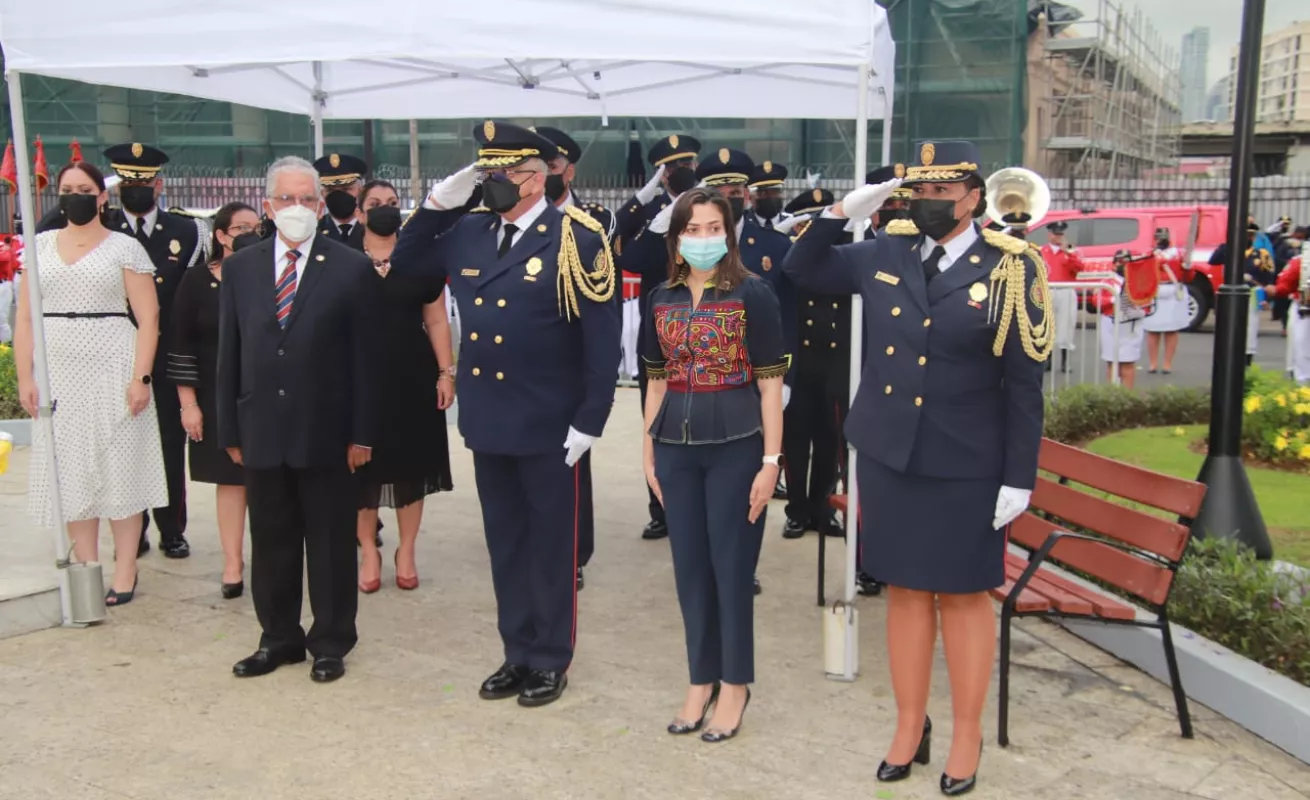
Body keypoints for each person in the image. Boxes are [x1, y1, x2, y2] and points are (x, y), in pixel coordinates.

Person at [783, 140, 1049, 795]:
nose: (927, 203)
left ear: (972, 196)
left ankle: (965, 733)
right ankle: (909, 725)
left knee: (961, 596)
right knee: (903, 592)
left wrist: (1020, 475)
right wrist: (844, 209)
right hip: (890, 453)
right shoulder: (888, 249)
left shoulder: (1011, 267)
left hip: (966, 462)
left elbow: (1023, 385)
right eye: (918, 192)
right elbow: (801, 269)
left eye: (940, 192)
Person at [391, 121, 620, 707]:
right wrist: (439, 203)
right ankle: (517, 652)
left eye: (504, 171)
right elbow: (407, 268)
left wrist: (591, 419)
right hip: (489, 417)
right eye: (487, 170)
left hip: (550, 422)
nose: (493, 180)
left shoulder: (577, 236)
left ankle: (550, 658)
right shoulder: (466, 232)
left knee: (551, 546)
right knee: (506, 543)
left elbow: (601, 338)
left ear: (538, 176)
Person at [218, 156, 382, 684]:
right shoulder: (242, 266)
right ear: (268, 204)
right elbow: (229, 352)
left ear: (320, 204)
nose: (297, 208)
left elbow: (366, 358)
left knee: (331, 541)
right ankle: (279, 638)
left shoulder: (351, 266)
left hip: (329, 434)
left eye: (306, 199)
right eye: (286, 199)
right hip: (261, 428)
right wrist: (230, 429)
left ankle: (330, 642)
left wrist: (362, 433)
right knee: (271, 539)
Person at [642, 188, 787, 742]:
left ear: (729, 234)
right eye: (692, 229)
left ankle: (735, 685)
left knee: (730, 569)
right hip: (674, 447)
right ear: (676, 239)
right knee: (689, 571)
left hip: (737, 444)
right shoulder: (660, 298)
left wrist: (771, 461)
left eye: (712, 228)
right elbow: (654, 378)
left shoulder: (754, 294)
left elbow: (772, 383)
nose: (703, 239)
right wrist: (647, 447)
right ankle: (699, 679)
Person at [13, 161, 168, 606]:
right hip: (58, 370)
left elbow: (149, 317)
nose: (75, 195)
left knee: (121, 470)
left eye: (84, 188)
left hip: (114, 365)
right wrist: (27, 375)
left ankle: (125, 570)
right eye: (67, 189)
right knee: (72, 473)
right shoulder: (39, 247)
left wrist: (141, 377)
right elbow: (24, 317)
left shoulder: (124, 247)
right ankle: (86, 567)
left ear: (102, 197)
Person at [101, 143, 206, 560]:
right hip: (116, 355)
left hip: (165, 358)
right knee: (122, 447)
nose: (137, 189)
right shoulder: (103, 226)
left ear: (158, 185)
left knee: (167, 446)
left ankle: (171, 528)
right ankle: (134, 527)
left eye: (144, 182)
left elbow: (187, 300)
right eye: (129, 182)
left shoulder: (185, 231)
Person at [353, 178, 455, 594]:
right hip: (356, 378)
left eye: (392, 203)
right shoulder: (341, 261)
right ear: (359, 212)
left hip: (413, 375)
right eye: (374, 203)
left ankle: (407, 549)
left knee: (412, 466)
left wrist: (445, 372)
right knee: (361, 470)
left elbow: (436, 319)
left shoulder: (420, 258)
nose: (384, 209)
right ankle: (368, 549)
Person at [534, 125, 617, 590]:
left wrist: (594, 388)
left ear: (570, 169)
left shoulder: (594, 223)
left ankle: (573, 554)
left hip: (570, 369)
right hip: (529, 369)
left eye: (555, 166)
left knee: (571, 468)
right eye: (539, 166)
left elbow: (601, 311)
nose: (548, 174)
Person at [167, 201, 261, 599]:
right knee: (230, 480)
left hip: (264, 394)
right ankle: (232, 563)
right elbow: (181, 343)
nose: (251, 234)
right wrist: (189, 403)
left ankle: (272, 560)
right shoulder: (195, 281)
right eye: (241, 228)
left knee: (269, 480)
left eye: (257, 226)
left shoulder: (271, 277)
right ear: (221, 236)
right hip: (215, 395)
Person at [617, 133, 701, 543]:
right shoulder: (650, 210)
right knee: (657, 426)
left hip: (706, 332)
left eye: (685, 164)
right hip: (660, 338)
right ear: (662, 175)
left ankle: (697, 507)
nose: (680, 172)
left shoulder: (711, 208)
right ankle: (661, 509)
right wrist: (650, 200)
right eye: (671, 168)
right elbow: (625, 252)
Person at [779, 187, 847, 542]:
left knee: (829, 441)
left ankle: (823, 508)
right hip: (799, 365)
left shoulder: (842, 256)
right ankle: (796, 510)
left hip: (833, 364)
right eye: (808, 223)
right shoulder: (790, 260)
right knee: (795, 442)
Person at [1096, 249, 1148, 389]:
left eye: (1126, 261)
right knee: (1112, 362)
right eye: (1120, 261)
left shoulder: (1139, 281)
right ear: (1114, 264)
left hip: (1131, 325)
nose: (1123, 265)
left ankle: (1127, 397)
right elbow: (1097, 301)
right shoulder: (1107, 282)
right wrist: (1115, 299)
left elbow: (1147, 304)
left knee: (1128, 363)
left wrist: (1139, 308)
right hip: (1111, 324)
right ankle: (1112, 395)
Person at [1143, 228, 1190, 374]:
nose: (1160, 240)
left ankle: (1167, 364)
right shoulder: (1149, 254)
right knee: (1152, 330)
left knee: (1171, 330)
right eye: (1158, 238)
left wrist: (1187, 267)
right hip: (1155, 291)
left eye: (1163, 238)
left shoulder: (1178, 254)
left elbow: (1187, 276)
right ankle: (1153, 363)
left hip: (1172, 290)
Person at [1038, 221, 1082, 374]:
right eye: (1056, 234)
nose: (1058, 237)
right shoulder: (1042, 251)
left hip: (1066, 291)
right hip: (1048, 290)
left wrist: (1068, 253)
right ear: (1049, 235)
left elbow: (1079, 268)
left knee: (1066, 325)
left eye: (1061, 234)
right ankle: (1047, 360)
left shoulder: (1071, 252)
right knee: (1047, 326)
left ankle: (1065, 361)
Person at [314, 153, 368, 250]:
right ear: (322, 194)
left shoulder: (373, 227)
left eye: (346, 189)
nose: (338, 195)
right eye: (330, 190)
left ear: (360, 191)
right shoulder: (314, 231)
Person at [1272, 240, 1309, 384]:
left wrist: (1275, 290)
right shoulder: (1300, 261)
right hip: (1304, 310)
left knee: (1302, 348)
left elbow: (1284, 285)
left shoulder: (1301, 260)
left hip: (1303, 311)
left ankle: (1302, 387)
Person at [746, 161, 793, 231]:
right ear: (750, 197)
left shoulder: (792, 224)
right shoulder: (742, 224)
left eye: (775, 192)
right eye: (762, 193)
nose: (770, 197)